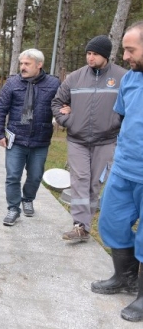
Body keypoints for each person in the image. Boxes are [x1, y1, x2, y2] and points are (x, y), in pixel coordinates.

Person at [51, 35, 127, 241]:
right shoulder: (75, 77)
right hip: (77, 139)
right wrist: (67, 120)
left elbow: (131, 106)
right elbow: (57, 102)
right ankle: (79, 225)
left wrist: (117, 124)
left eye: (95, 54)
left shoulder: (122, 77)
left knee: (94, 184)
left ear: (106, 55)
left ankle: (84, 226)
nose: (90, 58)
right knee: (80, 180)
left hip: (107, 140)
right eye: (88, 53)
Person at [92, 20, 143, 323]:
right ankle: (123, 277)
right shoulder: (131, 80)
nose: (124, 56)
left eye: (130, 49)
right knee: (111, 221)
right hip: (125, 168)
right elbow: (124, 120)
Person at [0, 49, 61, 226]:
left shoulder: (53, 84)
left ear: (39, 65)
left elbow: (62, 103)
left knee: (35, 175)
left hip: (40, 139)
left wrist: (66, 110)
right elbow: (1, 108)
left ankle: (28, 199)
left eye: (27, 64)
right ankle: (13, 208)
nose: (22, 67)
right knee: (13, 176)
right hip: (16, 139)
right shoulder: (12, 83)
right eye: (21, 63)